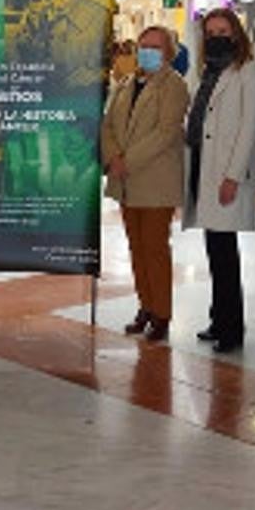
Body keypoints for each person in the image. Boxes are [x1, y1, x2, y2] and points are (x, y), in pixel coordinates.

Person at [101, 26, 190, 342]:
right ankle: (145, 306)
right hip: (126, 181)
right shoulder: (126, 83)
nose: (147, 51)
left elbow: (166, 133)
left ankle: (162, 314)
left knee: (154, 249)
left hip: (154, 180)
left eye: (155, 46)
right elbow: (108, 124)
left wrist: (127, 161)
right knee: (136, 248)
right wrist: (113, 156)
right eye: (143, 45)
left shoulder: (174, 86)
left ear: (168, 52)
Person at [184, 8, 255, 354]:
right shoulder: (207, 71)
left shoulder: (250, 69)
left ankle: (232, 329)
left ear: (236, 33)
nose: (217, 36)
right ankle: (219, 319)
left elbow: (250, 126)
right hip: (203, 165)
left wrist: (233, 176)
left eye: (223, 30)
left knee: (225, 253)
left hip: (224, 172)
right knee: (215, 249)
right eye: (211, 31)